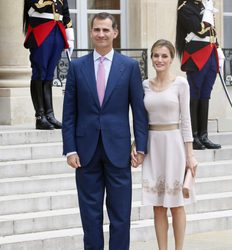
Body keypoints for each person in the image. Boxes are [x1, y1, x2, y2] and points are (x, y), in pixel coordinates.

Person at [62, 12, 148, 250]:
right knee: (90, 216)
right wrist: (70, 149)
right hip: (85, 151)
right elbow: (69, 112)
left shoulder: (129, 66)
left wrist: (141, 146)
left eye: (106, 30)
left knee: (121, 214)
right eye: (97, 30)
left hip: (119, 151)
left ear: (115, 33)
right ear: (91, 32)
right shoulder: (77, 67)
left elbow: (139, 111)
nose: (101, 34)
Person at [131, 39, 197, 250]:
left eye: (164, 56)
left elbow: (186, 120)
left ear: (171, 59)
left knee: (176, 205)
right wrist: (136, 144)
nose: (159, 60)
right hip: (153, 147)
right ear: (151, 59)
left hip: (174, 145)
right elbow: (140, 119)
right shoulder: (144, 85)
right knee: (158, 206)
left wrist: (190, 155)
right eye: (156, 56)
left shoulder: (181, 83)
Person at [175, 0, 224, 149]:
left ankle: (204, 135)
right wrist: (208, 12)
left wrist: (218, 48)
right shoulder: (185, 8)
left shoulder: (203, 6)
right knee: (194, 95)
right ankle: (193, 136)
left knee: (205, 94)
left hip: (210, 55)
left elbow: (212, 32)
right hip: (196, 56)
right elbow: (199, 29)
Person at [23, 0, 74, 130]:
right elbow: (38, 6)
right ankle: (40, 116)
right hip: (41, 30)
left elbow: (66, 14)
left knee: (49, 75)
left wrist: (70, 36)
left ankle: (49, 114)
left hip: (57, 31)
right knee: (40, 72)